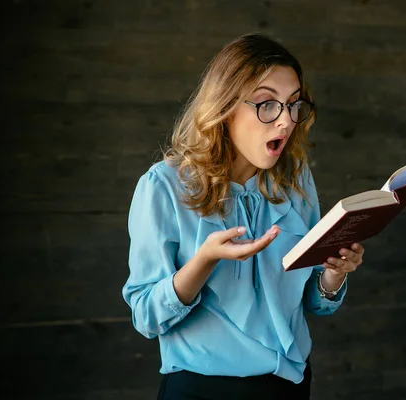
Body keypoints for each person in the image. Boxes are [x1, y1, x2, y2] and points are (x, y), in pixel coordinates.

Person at [122, 33, 364, 400]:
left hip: (290, 388)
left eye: (294, 104)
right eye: (267, 104)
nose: (285, 121)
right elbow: (146, 317)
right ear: (226, 106)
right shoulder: (163, 186)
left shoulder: (295, 181)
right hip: (202, 390)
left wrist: (333, 274)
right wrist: (204, 260)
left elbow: (314, 304)